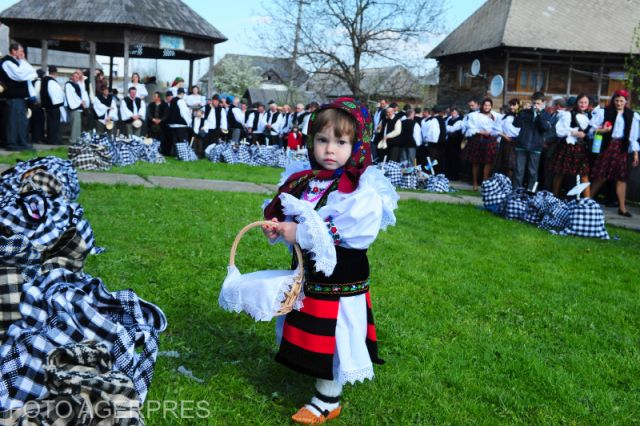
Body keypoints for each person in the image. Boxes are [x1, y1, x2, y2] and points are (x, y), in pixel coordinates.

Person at [261, 97, 398, 425]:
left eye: (341, 142)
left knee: (335, 336)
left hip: (339, 280)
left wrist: (300, 233)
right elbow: (287, 212)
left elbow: (342, 233)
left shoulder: (361, 191)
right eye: (322, 140)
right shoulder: (306, 180)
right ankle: (309, 366)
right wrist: (277, 229)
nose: (329, 150)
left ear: (358, 145)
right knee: (308, 326)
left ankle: (328, 397)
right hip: (309, 277)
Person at [589, 90, 639, 217]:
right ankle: (587, 200)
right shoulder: (605, 112)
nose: (619, 103)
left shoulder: (632, 115)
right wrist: (603, 130)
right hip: (608, 146)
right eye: (617, 100)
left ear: (626, 101)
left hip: (621, 147)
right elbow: (592, 129)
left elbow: (633, 137)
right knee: (601, 175)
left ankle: (622, 207)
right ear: (613, 101)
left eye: (621, 100)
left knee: (622, 178)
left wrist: (635, 153)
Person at [551, 93, 592, 198]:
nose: (583, 104)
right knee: (560, 172)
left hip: (581, 148)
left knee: (584, 174)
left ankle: (587, 201)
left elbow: (589, 133)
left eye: (585, 102)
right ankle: (554, 196)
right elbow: (559, 131)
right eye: (581, 102)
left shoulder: (589, 116)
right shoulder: (568, 114)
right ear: (577, 103)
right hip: (568, 146)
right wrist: (573, 132)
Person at [0, 42, 37, 150]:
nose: (22, 54)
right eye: (20, 51)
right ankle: (12, 143)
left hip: (19, 97)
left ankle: (21, 141)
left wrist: (22, 61)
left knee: (21, 120)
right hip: (13, 97)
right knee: (13, 121)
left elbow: (31, 73)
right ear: (13, 51)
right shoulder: (7, 62)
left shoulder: (17, 62)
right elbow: (19, 75)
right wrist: (23, 61)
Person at [512, 92, 552, 190]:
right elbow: (516, 124)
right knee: (518, 171)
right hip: (522, 144)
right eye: (534, 103)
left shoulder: (546, 114)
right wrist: (520, 111)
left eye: (538, 103)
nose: (535, 105)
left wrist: (538, 115)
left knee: (533, 172)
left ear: (543, 103)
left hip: (536, 147)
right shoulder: (525, 112)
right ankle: (516, 193)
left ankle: (531, 193)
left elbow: (545, 128)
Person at [463, 98, 502, 190]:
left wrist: (495, 135)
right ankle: (475, 183)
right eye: (485, 105)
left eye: (488, 105)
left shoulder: (496, 116)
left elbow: (498, 128)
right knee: (475, 162)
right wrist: (481, 132)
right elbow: (471, 128)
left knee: (488, 162)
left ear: (491, 106)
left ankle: (484, 182)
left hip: (490, 140)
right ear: (482, 106)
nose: (487, 107)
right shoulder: (474, 115)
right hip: (478, 139)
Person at [40, 65, 65, 145]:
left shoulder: (45, 80)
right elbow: (54, 94)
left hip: (49, 105)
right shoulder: (50, 81)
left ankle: (51, 139)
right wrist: (59, 103)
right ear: (55, 73)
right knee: (54, 123)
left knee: (51, 123)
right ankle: (53, 140)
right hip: (53, 105)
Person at [497, 98, 520, 181]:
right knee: (503, 164)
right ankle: (503, 183)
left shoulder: (521, 116)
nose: (512, 107)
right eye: (511, 105)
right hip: (505, 141)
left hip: (516, 142)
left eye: (514, 105)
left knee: (512, 165)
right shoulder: (505, 116)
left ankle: (511, 184)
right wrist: (504, 136)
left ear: (518, 105)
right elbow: (497, 128)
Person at [64, 69, 89, 144]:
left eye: (77, 77)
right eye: (75, 76)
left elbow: (81, 94)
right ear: (72, 77)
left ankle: (77, 140)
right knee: (75, 125)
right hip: (74, 106)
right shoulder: (69, 84)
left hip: (78, 107)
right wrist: (80, 102)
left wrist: (83, 102)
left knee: (78, 125)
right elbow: (72, 96)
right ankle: (73, 140)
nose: (76, 78)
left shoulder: (77, 84)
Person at [166, 87, 192, 152]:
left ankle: (175, 153)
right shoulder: (181, 101)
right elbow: (184, 113)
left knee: (175, 140)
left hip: (172, 124)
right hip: (180, 124)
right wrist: (189, 121)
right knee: (181, 140)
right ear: (182, 94)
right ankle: (182, 153)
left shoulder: (172, 100)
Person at [444, 107, 464, 180]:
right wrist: (449, 128)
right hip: (449, 142)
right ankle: (449, 174)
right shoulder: (449, 119)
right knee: (449, 159)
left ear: (457, 113)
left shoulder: (460, 120)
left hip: (456, 143)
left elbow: (453, 129)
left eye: (454, 113)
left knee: (455, 159)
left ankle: (455, 175)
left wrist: (448, 128)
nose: (453, 114)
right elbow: (446, 128)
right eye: (452, 113)